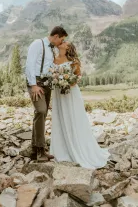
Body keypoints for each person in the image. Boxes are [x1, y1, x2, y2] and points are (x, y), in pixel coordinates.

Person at [50, 41, 109, 169]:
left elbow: (77, 77)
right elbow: (51, 75)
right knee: (60, 118)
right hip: (58, 95)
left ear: (68, 48)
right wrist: (57, 81)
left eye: (65, 42)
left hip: (71, 93)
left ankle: (78, 147)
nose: (62, 42)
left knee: (74, 118)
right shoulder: (53, 59)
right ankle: (61, 149)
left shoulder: (74, 61)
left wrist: (66, 82)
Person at [25, 26, 68, 161]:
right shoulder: (37, 44)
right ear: (55, 36)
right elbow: (29, 65)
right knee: (41, 110)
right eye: (61, 39)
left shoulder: (52, 49)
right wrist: (33, 85)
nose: (61, 42)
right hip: (36, 83)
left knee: (42, 115)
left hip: (47, 83)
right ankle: (40, 150)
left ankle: (34, 149)